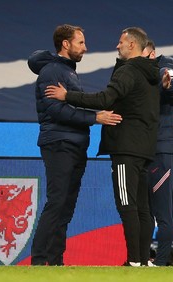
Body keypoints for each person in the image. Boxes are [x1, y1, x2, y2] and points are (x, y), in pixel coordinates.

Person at [45, 27, 160, 267]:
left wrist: (68, 96)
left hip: (126, 146)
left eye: (121, 42)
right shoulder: (150, 73)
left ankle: (134, 261)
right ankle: (143, 260)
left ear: (131, 45)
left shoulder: (129, 71)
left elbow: (105, 99)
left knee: (126, 204)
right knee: (142, 207)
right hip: (145, 147)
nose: (117, 46)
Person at [28, 24, 122, 266]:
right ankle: (38, 261)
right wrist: (95, 118)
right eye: (81, 42)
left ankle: (55, 260)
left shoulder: (67, 71)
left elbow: (73, 103)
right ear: (66, 44)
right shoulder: (52, 72)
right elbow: (54, 109)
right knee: (57, 201)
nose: (85, 47)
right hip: (59, 143)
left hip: (75, 144)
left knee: (66, 206)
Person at [142, 40, 173, 266]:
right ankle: (143, 260)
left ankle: (160, 264)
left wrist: (168, 85)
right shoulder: (138, 73)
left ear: (151, 52)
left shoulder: (165, 67)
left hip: (165, 150)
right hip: (148, 151)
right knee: (146, 209)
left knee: (163, 212)